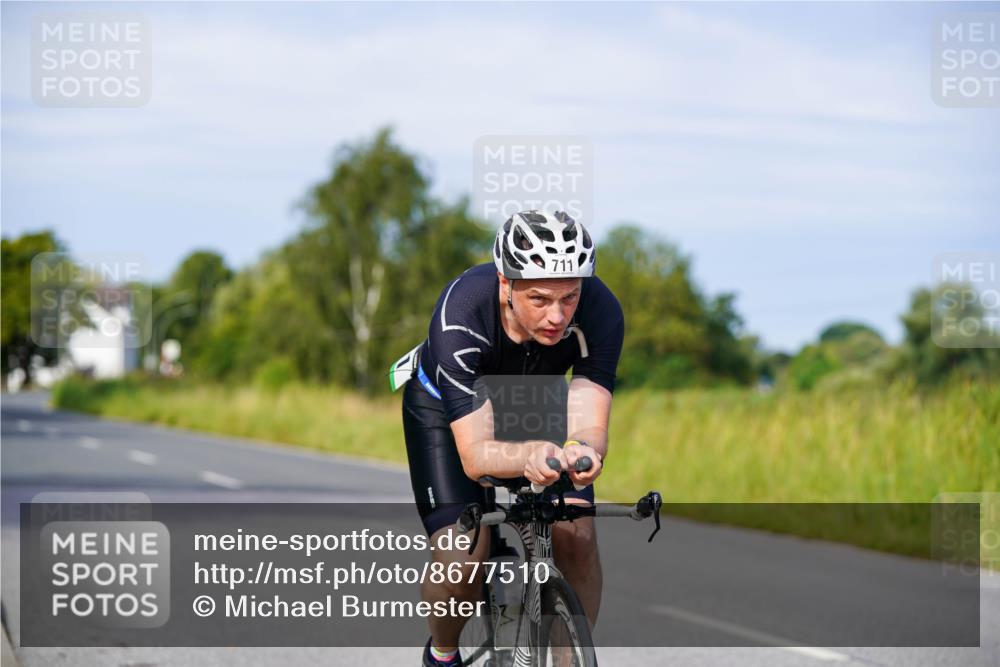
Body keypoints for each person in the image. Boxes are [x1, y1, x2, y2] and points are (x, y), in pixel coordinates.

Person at [393, 210, 625, 666]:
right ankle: (442, 652)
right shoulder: (461, 313)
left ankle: (566, 658)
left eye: (569, 297)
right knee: (463, 558)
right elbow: (477, 457)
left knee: (576, 535)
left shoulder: (600, 309)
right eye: (539, 298)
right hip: (448, 409)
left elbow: (589, 414)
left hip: (535, 401)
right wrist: (528, 455)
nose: (557, 316)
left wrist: (582, 450)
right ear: (505, 284)